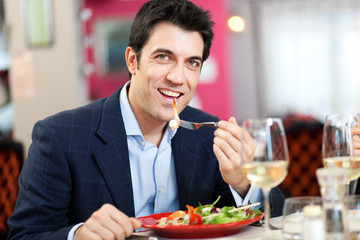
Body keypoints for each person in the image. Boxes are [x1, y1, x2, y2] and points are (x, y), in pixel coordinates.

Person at [8, 0, 285, 239]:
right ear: (132, 61)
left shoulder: (208, 132)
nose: (178, 78)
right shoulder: (59, 136)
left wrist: (243, 184)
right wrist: (78, 235)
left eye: (192, 62)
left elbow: (278, 218)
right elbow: (25, 235)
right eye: (164, 57)